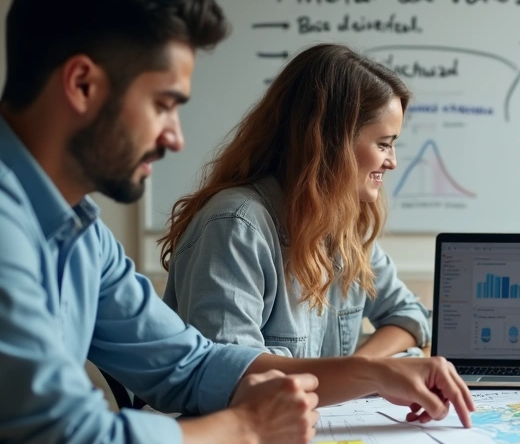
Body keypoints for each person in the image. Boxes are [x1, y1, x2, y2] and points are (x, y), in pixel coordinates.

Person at [0, 0, 472, 444]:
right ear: (81, 85)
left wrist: (371, 374)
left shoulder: (80, 230)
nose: (175, 137)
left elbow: (192, 366)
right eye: (164, 104)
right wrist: (247, 426)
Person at [160, 44, 428, 362]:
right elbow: (232, 371)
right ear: (331, 143)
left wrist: (357, 366)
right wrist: (353, 375)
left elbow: (410, 315)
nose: (392, 162)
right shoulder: (235, 226)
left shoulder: (344, 228)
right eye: (383, 144)